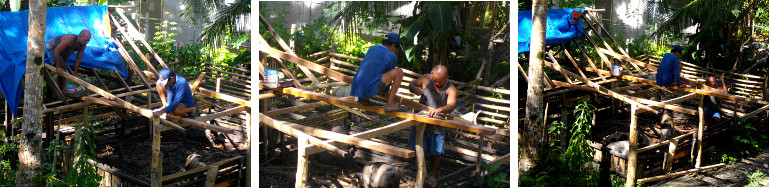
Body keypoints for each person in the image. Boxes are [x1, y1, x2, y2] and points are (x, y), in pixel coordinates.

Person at [407, 65, 458, 187]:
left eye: (440, 81)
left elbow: (451, 104)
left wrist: (440, 109)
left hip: (437, 124)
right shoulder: (426, 79)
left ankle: (432, 174)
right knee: (420, 149)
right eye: (435, 80)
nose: (436, 83)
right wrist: (414, 88)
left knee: (436, 152)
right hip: (421, 120)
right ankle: (421, 173)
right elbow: (411, 84)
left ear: (447, 78)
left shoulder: (451, 89)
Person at [350, 33, 406, 112]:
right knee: (399, 72)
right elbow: (389, 79)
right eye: (396, 49)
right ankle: (390, 104)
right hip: (368, 88)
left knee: (370, 77)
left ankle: (363, 99)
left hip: (355, 86)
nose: (396, 51)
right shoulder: (392, 56)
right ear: (393, 45)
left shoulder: (372, 49)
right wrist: (386, 91)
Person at [46, 30, 91, 94]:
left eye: (88, 41)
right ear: (79, 36)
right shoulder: (70, 39)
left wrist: (75, 73)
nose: (86, 42)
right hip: (53, 48)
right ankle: (64, 88)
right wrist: (58, 67)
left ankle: (62, 88)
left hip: (64, 53)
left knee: (63, 66)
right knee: (62, 66)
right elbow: (56, 51)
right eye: (85, 40)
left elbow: (78, 58)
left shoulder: (83, 45)